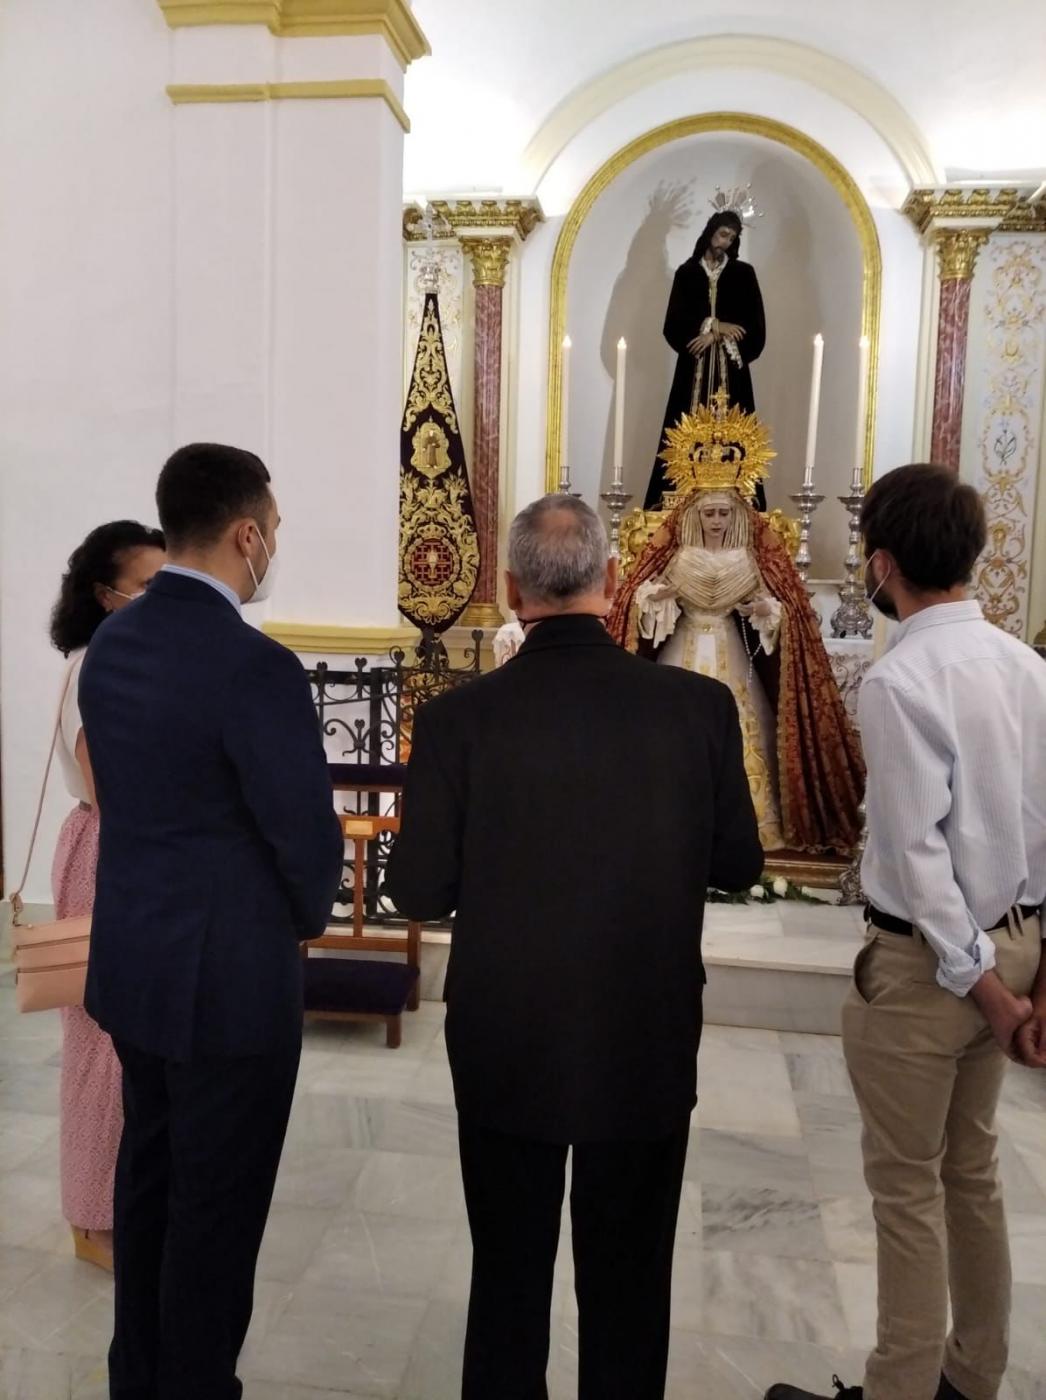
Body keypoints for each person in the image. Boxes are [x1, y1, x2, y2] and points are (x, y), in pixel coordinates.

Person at [385, 494, 763, 1400]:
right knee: (631, 1286)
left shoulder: (457, 720)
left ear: (512, 589)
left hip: (506, 1039)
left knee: (508, 1279)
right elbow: (741, 865)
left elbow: (420, 890)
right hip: (644, 1034)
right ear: (607, 584)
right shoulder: (698, 708)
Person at [767, 464, 1046, 1400]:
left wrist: (984, 987)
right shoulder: (1027, 669)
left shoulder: (900, 679)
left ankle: (898, 1389)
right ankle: (973, 1379)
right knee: (972, 1172)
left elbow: (922, 864)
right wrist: (1028, 981)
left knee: (906, 1191)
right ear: (971, 554)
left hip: (933, 970)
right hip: (1016, 943)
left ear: (881, 565)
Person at [79, 443, 345, 1400]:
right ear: (247, 534)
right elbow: (304, 838)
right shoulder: (254, 667)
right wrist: (307, 915)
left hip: (135, 970)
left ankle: (138, 1378)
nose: (272, 546)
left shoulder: (115, 642)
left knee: (148, 1186)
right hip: (229, 990)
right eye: (272, 531)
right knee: (216, 1213)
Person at [610, 462, 864, 854]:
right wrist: (654, 601)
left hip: (729, 646)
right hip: (685, 645)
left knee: (740, 728)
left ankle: (744, 824)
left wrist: (767, 611)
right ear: (695, 515)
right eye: (709, 513)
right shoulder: (681, 558)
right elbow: (640, 602)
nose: (716, 521)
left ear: (737, 515)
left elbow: (781, 609)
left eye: (724, 513)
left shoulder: (748, 560)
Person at [48, 521, 166, 1271]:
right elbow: (111, 789)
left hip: (134, 855)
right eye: (149, 588)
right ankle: (94, 1221)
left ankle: (129, 1204)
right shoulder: (96, 667)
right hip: (109, 854)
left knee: (133, 1048)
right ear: (105, 594)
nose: (162, 601)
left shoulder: (135, 662)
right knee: (102, 1047)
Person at [645, 208, 766, 510]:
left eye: (732, 238)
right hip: (694, 371)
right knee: (684, 426)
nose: (725, 242)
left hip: (731, 375)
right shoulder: (686, 274)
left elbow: (755, 326)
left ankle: (739, 501)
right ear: (711, 230)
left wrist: (716, 333)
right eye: (723, 234)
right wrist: (711, 325)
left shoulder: (743, 274)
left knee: (736, 432)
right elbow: (672, 324)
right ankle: (676, 503)